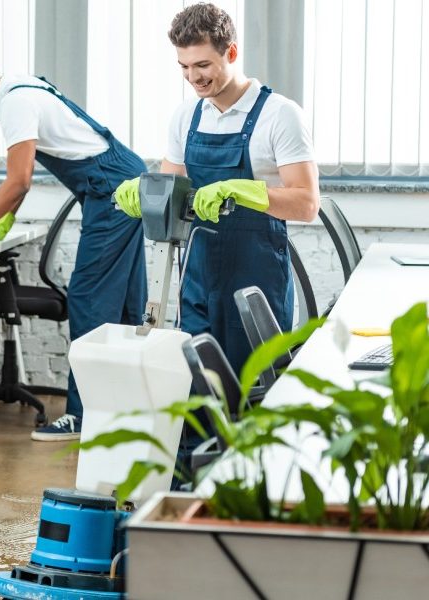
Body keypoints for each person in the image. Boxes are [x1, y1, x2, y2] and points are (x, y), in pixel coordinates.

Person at [114, 3, 320, 480]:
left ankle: (250, 493)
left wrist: (246, 192)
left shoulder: (279, 115)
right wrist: (144, 193)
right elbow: (172, 193)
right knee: (196, 385)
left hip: (255, 278)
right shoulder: (186, 117)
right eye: (184, 68)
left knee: (249, 386)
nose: (194, 77)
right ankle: (190, 497)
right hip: (198, 270)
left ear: (230, 51)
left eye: (203, 65)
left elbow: (307, 203)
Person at [0, 43, 148, 441]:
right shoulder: (23, 89)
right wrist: (2, 221)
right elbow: (22, 179)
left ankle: (83, 418)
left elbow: (19, 180)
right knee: (125, 303)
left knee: (89, 299)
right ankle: (130, 408)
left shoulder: (14, 103)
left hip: (113, 191)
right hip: (123, 181)